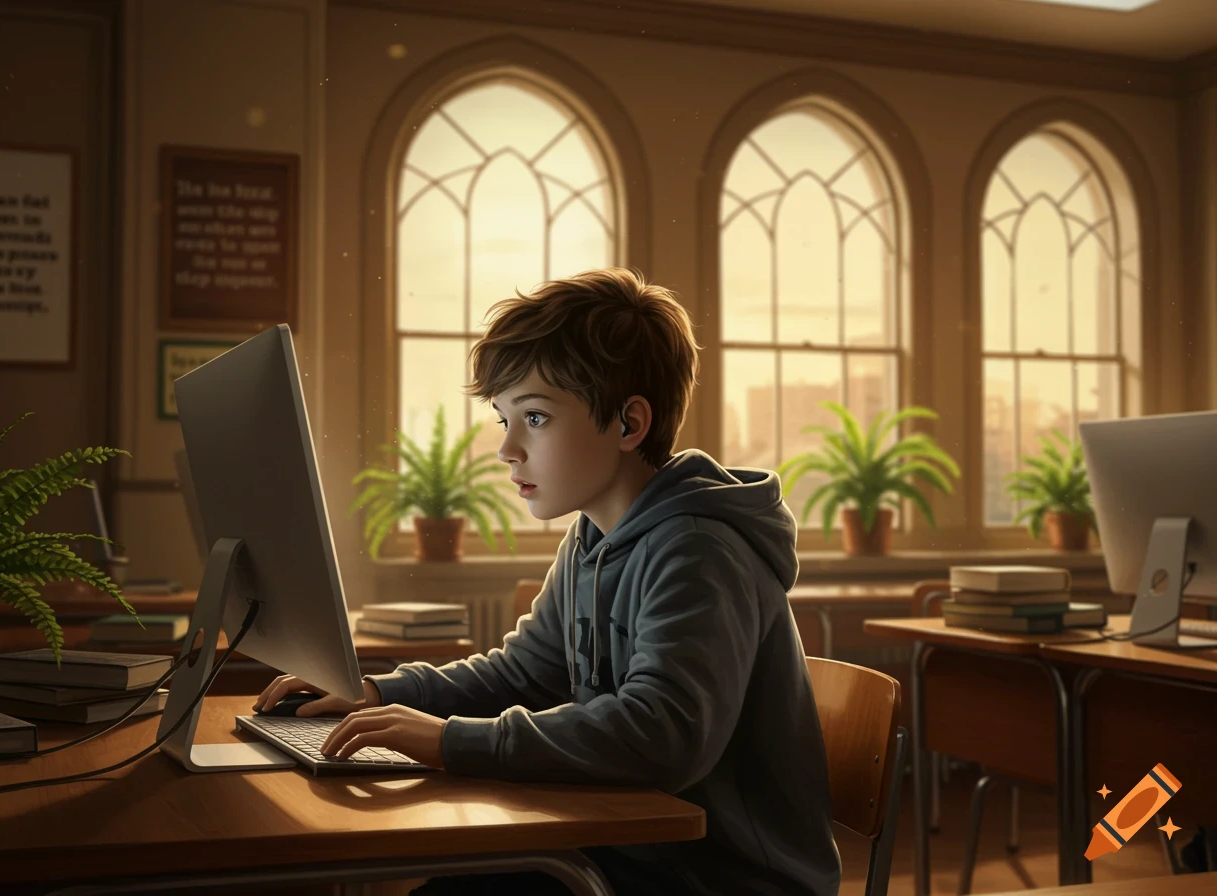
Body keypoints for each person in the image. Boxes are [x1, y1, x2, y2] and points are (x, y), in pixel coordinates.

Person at [255, 267, 841, 895]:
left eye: (533, 418)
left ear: (628, 424)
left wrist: (452, 742)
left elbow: (663, 735)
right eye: (504, 418)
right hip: (626, 851)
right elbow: (526, 673)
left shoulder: (699, 549)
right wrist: (376, 693)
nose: (508, 449)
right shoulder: (593, 536)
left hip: (720, 878)